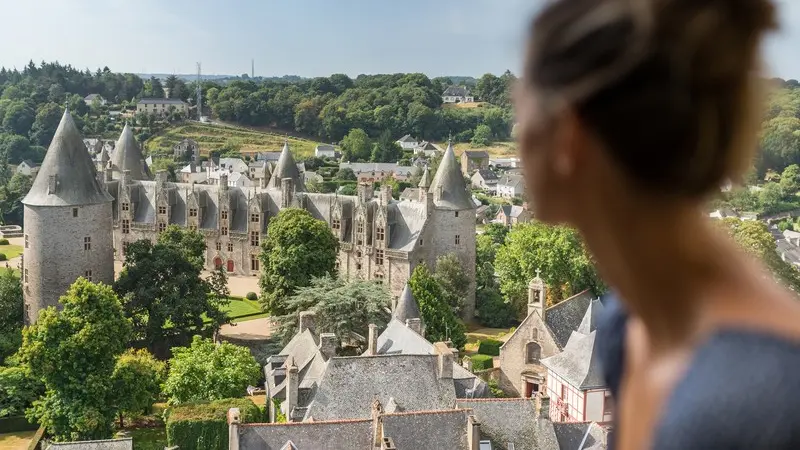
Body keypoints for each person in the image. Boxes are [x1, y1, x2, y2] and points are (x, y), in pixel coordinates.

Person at [514, 0, 800, 449]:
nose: (514, 135)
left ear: (569, 138)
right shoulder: (626, 328)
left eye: (520, 110)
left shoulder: (769, 397)